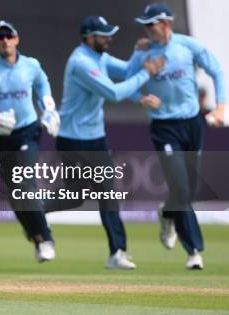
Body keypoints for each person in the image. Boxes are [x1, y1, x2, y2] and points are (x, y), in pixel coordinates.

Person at [53, 15, 164, 269]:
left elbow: (125, 71)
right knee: (74, 196)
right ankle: (34, 212)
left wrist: (138, 54)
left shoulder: (99, 57)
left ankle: (117, 252)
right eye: (104, 35)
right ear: (89, 38)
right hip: (72, 139)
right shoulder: (81, 62)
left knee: (108, 192)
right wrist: (146, 72)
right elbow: (113, 93)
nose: (109, 39)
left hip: (95, 138)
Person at [127, 3, 226, 270]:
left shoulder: (187, 46)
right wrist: (141, 97)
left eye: (151, 24)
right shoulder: (143, 53)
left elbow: (216, 71)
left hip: (192, 124)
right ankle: (194, 251)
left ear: (165, 23)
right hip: (164, 127)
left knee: (188, 189)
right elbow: (126, 80)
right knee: (181, 187)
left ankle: (167, 212)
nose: (147, 30)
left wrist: (220, 107)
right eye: (144, 25)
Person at [0, 20, 60, 262]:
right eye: (0, 36)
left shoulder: (31, 65)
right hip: (1, 137)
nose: (5, 40)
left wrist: (49, 109)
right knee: (15, 194)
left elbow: (43, 85)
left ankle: (46, 238)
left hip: (28, 132)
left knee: (26, 185)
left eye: (9, 35)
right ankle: (35, 236)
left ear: (16, 39)